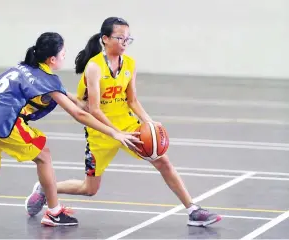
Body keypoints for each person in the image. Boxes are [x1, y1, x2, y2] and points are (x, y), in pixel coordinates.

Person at [0, 32, 143, 229]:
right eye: (63, 53)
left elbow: (55, 91)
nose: (65, 55)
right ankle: (53, 212)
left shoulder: (24, 67)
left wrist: (77, 100)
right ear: (52, 59)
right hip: (5, 122)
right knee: (44, 156)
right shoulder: (48, 79)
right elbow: (79, 115)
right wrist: (114, 132)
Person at [25, 17, 222, 227]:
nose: (125, 43)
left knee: (162, 160)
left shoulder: (129, 64)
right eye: (120, 38)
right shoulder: (94, 67)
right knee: (89, 189)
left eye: (128, 39)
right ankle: (45, 188)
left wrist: (149, 122)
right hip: (100, 132)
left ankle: (193, 210)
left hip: (128, 127)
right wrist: (115, 132)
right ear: (106, 39)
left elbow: (132, 100)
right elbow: (94, 110)